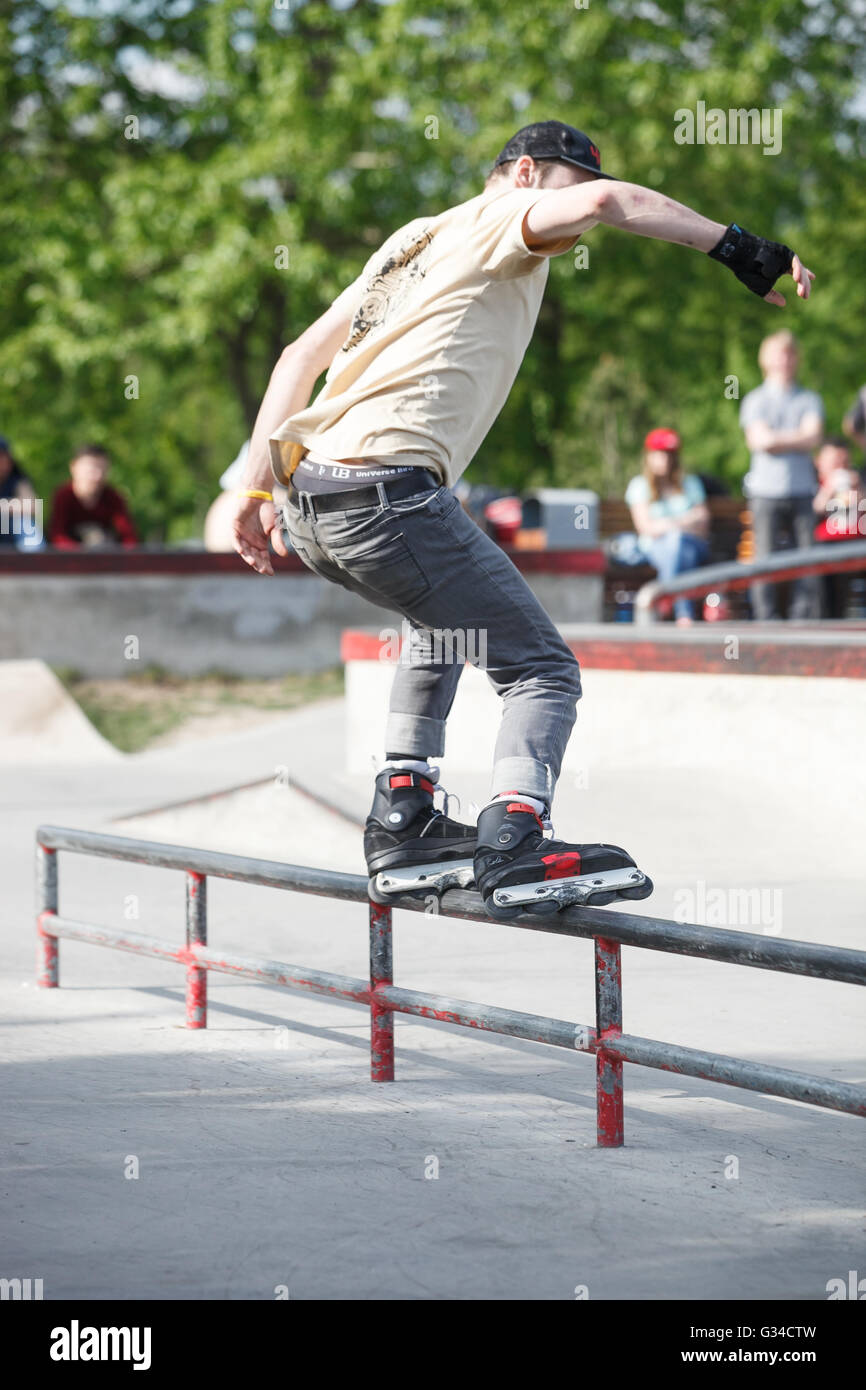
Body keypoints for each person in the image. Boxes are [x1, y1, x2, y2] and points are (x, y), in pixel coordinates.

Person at [228, 118, 814, 920]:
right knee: (543, 670)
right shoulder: (508, 216)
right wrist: (741, 249)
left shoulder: (410, 240)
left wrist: (256, 494)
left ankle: (404, 810)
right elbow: (610, 200)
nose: (575, 230)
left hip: (313, 499)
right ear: (529, 173)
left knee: (443, 622)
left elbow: (299, 355)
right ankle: (517, 835)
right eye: (565, 200)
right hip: (386, 493)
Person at [739, 331, 824, 620]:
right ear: (766, 359)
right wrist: (797, 437)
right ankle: (767, 621)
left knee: (808, 561)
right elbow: (760, 441)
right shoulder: (755, 400)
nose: (785, 360)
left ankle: (804, 621)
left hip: (802, 490)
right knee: (764, 559)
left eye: (790, 354)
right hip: (765, 492)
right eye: (779, 353)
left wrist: (777, 440)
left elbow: (813, 438)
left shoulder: (810, 398)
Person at [625, 427, 710, 625]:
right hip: (654, 549)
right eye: (660, 454)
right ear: (649, 456)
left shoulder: (689, 483)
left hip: (692, 546)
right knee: (676, 546)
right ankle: (683, 613)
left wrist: (668, 526)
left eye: (670, 455)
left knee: (679, 545)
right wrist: (684, 521)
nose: (666, 460)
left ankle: (664, 601)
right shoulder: (640, 485)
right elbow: (645, 527)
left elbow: (703, 525)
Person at [49, 445, 138, 549]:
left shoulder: (113, 497)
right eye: (91, 470)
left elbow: (129, 537)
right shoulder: (63, 495)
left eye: (103, 469)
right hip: (72, 560)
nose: (98, 476)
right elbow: (57, 536)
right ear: (74, 468)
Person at [0, 435, 38, 548]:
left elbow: (32, 506)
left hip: (13, 536)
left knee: (25, 524)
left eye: (2, 457)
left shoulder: (17, 480)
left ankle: (35, 563)